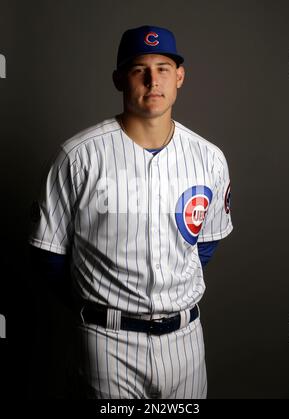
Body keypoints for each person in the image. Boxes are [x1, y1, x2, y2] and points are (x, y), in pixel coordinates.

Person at [28, 25, 233, 399]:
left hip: (185, 339)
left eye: (163, 68)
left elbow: (205, 245)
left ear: (180, 77)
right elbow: (48, 253)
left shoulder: (209, 158)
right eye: (139, 69)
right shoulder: (78, 156)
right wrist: (96, 303)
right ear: (119, 79)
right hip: (107, 341)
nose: (153, 80)